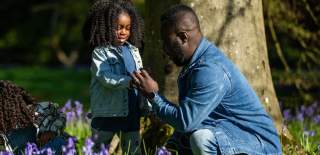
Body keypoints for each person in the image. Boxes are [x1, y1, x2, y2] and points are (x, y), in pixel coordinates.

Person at [131, 4, 282, 155]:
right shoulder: (197, 64)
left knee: (201, 139)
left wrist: (154, 95)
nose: (164, 49)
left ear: (183, 37)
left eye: (166, 42)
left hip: (260, 147)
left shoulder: (209, 70)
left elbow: (186, 122)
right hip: (233, 136)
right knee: (181, 142)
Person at [82, 0, 150, 154]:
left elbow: (139, 74)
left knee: (133, 149)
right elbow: (105, 77)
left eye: (127, 28)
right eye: (118, 28)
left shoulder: (133, 50)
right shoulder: (100, 52)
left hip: (131, 110)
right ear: (106, 27)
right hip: (108, 111)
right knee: (98, 148)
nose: (123, 32)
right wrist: (129, 81)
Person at [0, 80, 67, 155]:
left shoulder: (31, 112)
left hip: (52, 147)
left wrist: (49, 131)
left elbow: (58, 113)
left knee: (58, 142)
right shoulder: (3, 131)